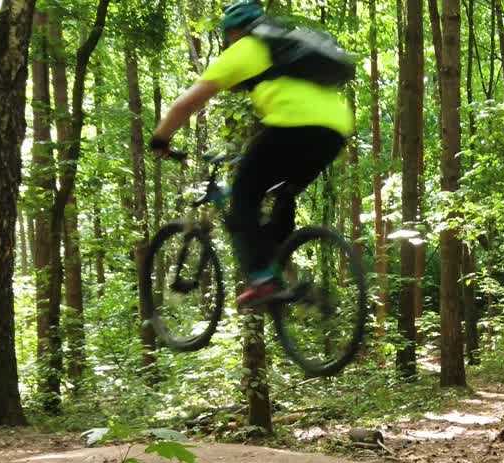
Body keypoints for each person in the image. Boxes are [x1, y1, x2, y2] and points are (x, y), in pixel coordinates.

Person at [149, 1, 354, 307]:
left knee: (244, 193)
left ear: (232, 32)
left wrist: (161, 139)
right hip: (335, 132)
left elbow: (185, 104)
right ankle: (282, 269)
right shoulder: (287, 46)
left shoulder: (243, 50)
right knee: (283, 193)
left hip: (293, 126)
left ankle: (262, 279)